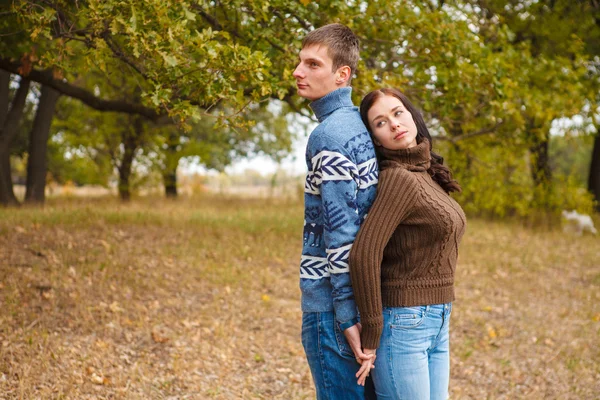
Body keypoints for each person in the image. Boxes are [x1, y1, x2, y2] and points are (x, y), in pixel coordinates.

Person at [349, 88, 467, 399]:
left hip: (437, 319)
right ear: (375, 138)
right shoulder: (398, 178)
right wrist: (372, 332)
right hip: (404, 324)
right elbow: (363, 255)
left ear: (412, 115)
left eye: (398, 113)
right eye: (380, 122)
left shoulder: (425, 173)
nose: (394, 124)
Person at [293, 23, 379, 398]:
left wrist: (345, 315)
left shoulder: (328, 137)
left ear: (342, 74)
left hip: (331, 310)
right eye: (299, 62)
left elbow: (340, 233)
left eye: (313, 64)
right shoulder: (360, 125)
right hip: (365, 300)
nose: (298, 72)